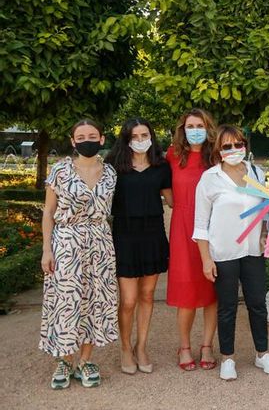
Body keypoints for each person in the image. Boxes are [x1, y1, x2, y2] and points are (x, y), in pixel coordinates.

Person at [193, 125, 269, 380]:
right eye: (227, 146)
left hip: (252, 250)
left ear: (245, 146)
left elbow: (266, 212)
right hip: (223, 251)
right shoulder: (210, 178)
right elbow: (200, 223)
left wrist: (266, 235)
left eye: (238, 144)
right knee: (227, 307)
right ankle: (228, 358)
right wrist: (206, 259)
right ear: (218, 150)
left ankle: (262, 353)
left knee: (257, 304)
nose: (233, 149)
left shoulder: (257, 173)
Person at [40, 120, 118, 389]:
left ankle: (85, 360)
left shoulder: (110, 173)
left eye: (92, 136)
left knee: (95, 301)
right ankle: (64, 360)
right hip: (66, 242)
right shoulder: (60, 171)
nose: (87, 140)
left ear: (102, 139)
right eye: (81, 137)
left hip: (100, 243)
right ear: (73, 141)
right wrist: (46, 249)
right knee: (67, 301)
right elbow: (48, 212)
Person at [107, 118, 172, 375]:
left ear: (151, 136)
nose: (140, 140)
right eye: (135, 136)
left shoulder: (161, 166)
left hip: (152, 234)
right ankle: (125, 347)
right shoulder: (114, 166)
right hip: (124, 236)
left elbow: (173, 200)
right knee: (128, 300)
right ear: (126, 139)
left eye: (145, 135)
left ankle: (141, 346)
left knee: (147, 295)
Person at [165, 108, 219, 371]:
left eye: (200, 126)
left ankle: (207, 345)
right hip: (183, 227)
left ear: (208, 128)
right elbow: (166, 190)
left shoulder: (217, 156)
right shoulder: (173, 155)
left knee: (212, 290)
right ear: (182, 129)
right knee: (186, 289)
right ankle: (184, 346)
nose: (195, 130)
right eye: (190, 126)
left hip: (215, 227)